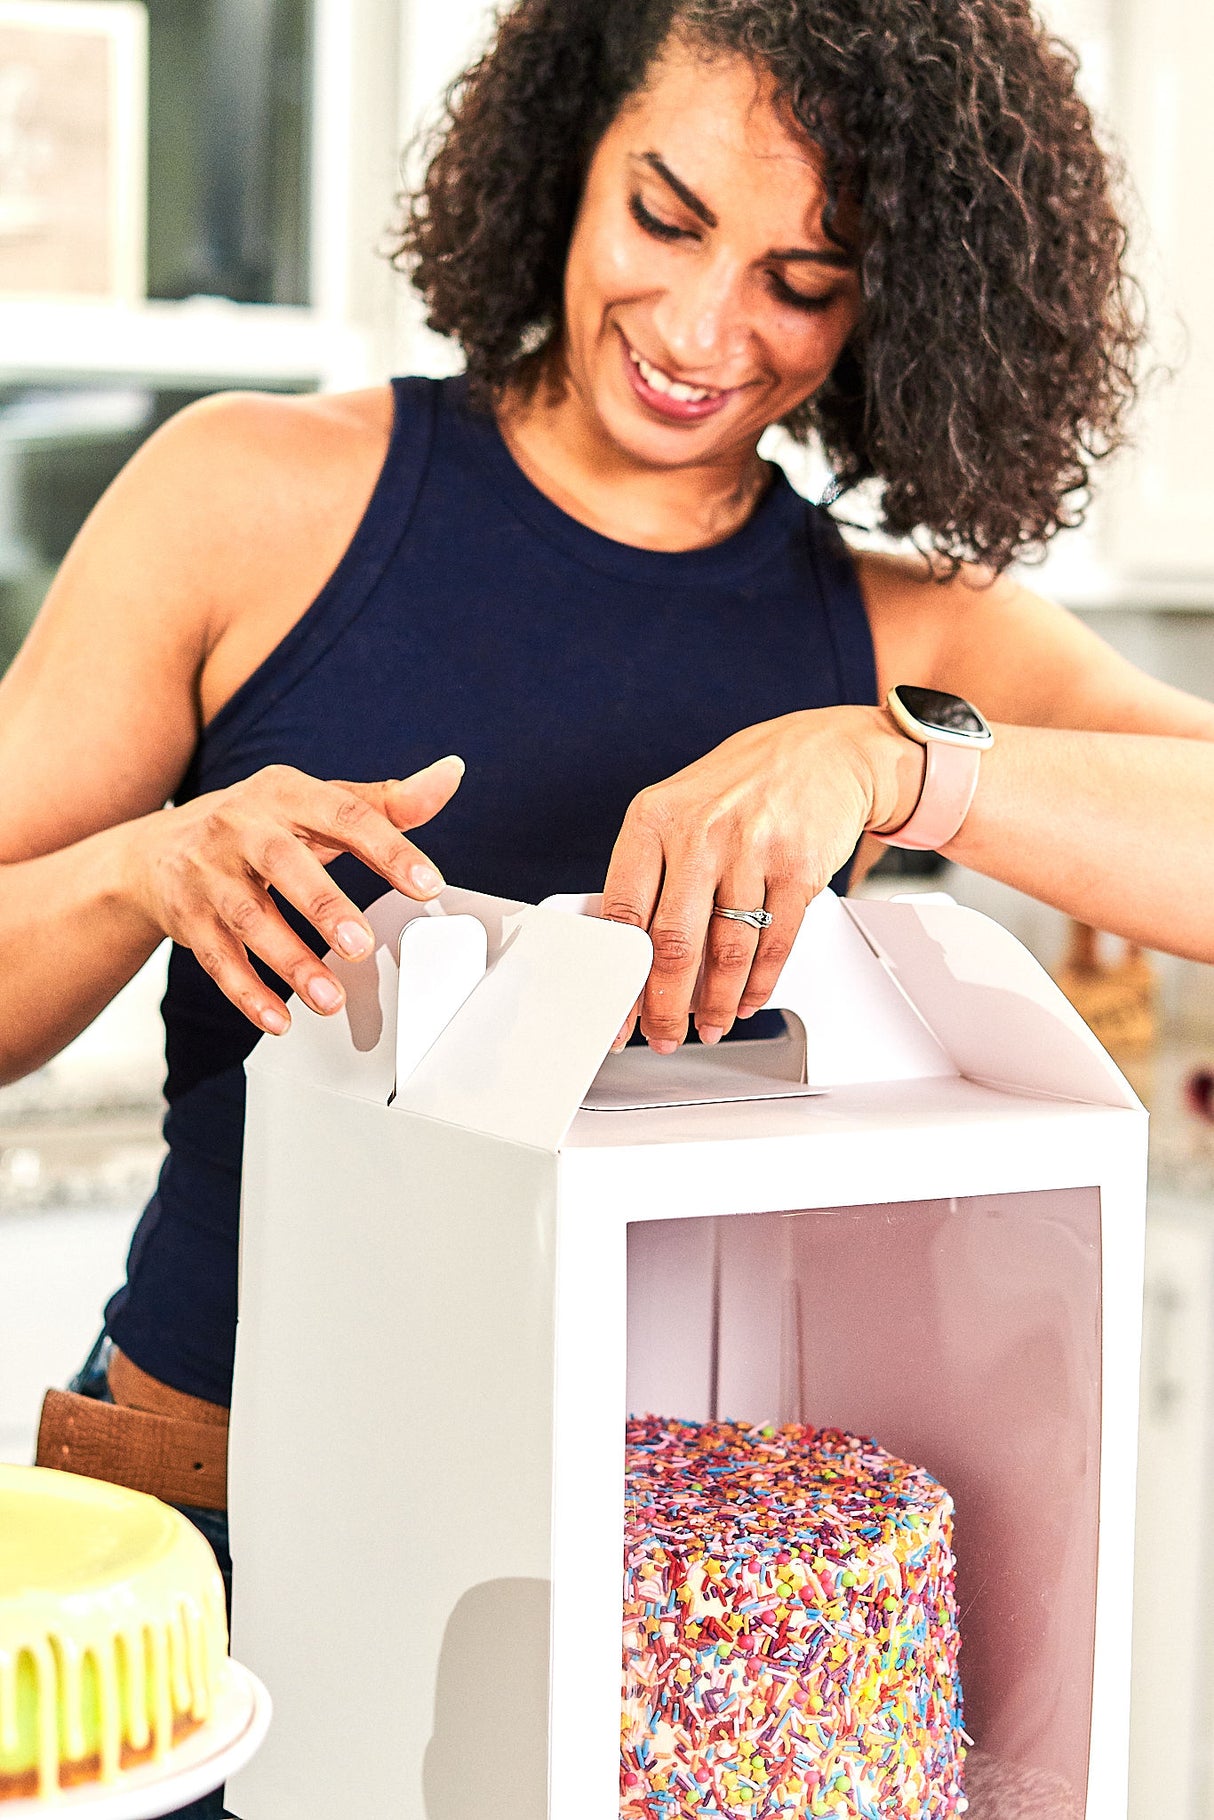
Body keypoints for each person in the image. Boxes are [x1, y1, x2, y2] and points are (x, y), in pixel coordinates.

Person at [4, 0, 1214, 1812]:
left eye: (805, 280)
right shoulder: (254, 499)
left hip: (668, 1607)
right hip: (203, 1518)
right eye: (665, 216)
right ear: (564, 150)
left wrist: (889, 764)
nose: (707, 329)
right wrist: (140, 863)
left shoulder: (905, 638)